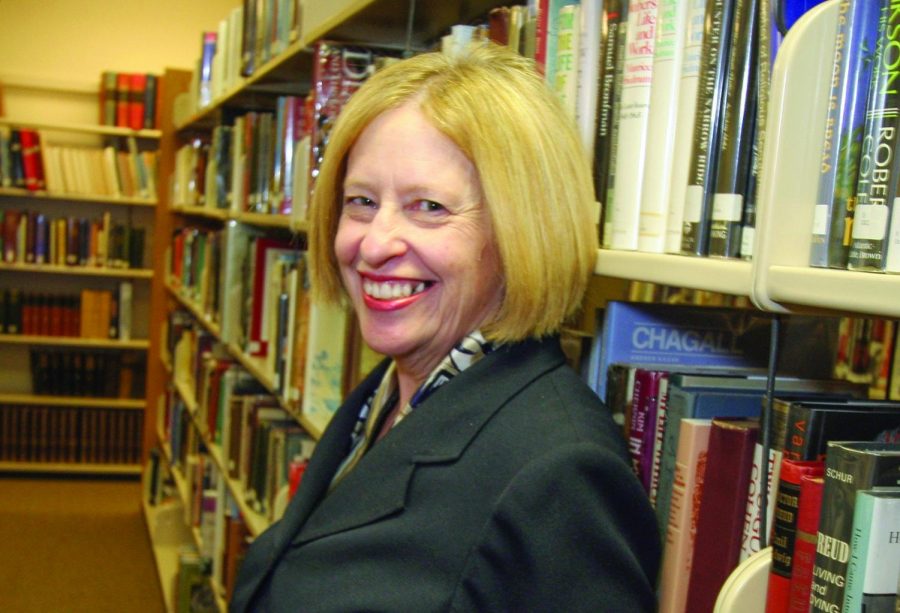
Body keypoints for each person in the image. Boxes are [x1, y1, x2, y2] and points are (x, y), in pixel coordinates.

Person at [230, 42, 660, 612]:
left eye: (428, 206)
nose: (374, 243)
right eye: (360, 201)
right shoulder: (393, 391)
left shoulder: (560, 473)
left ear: (519, 233)